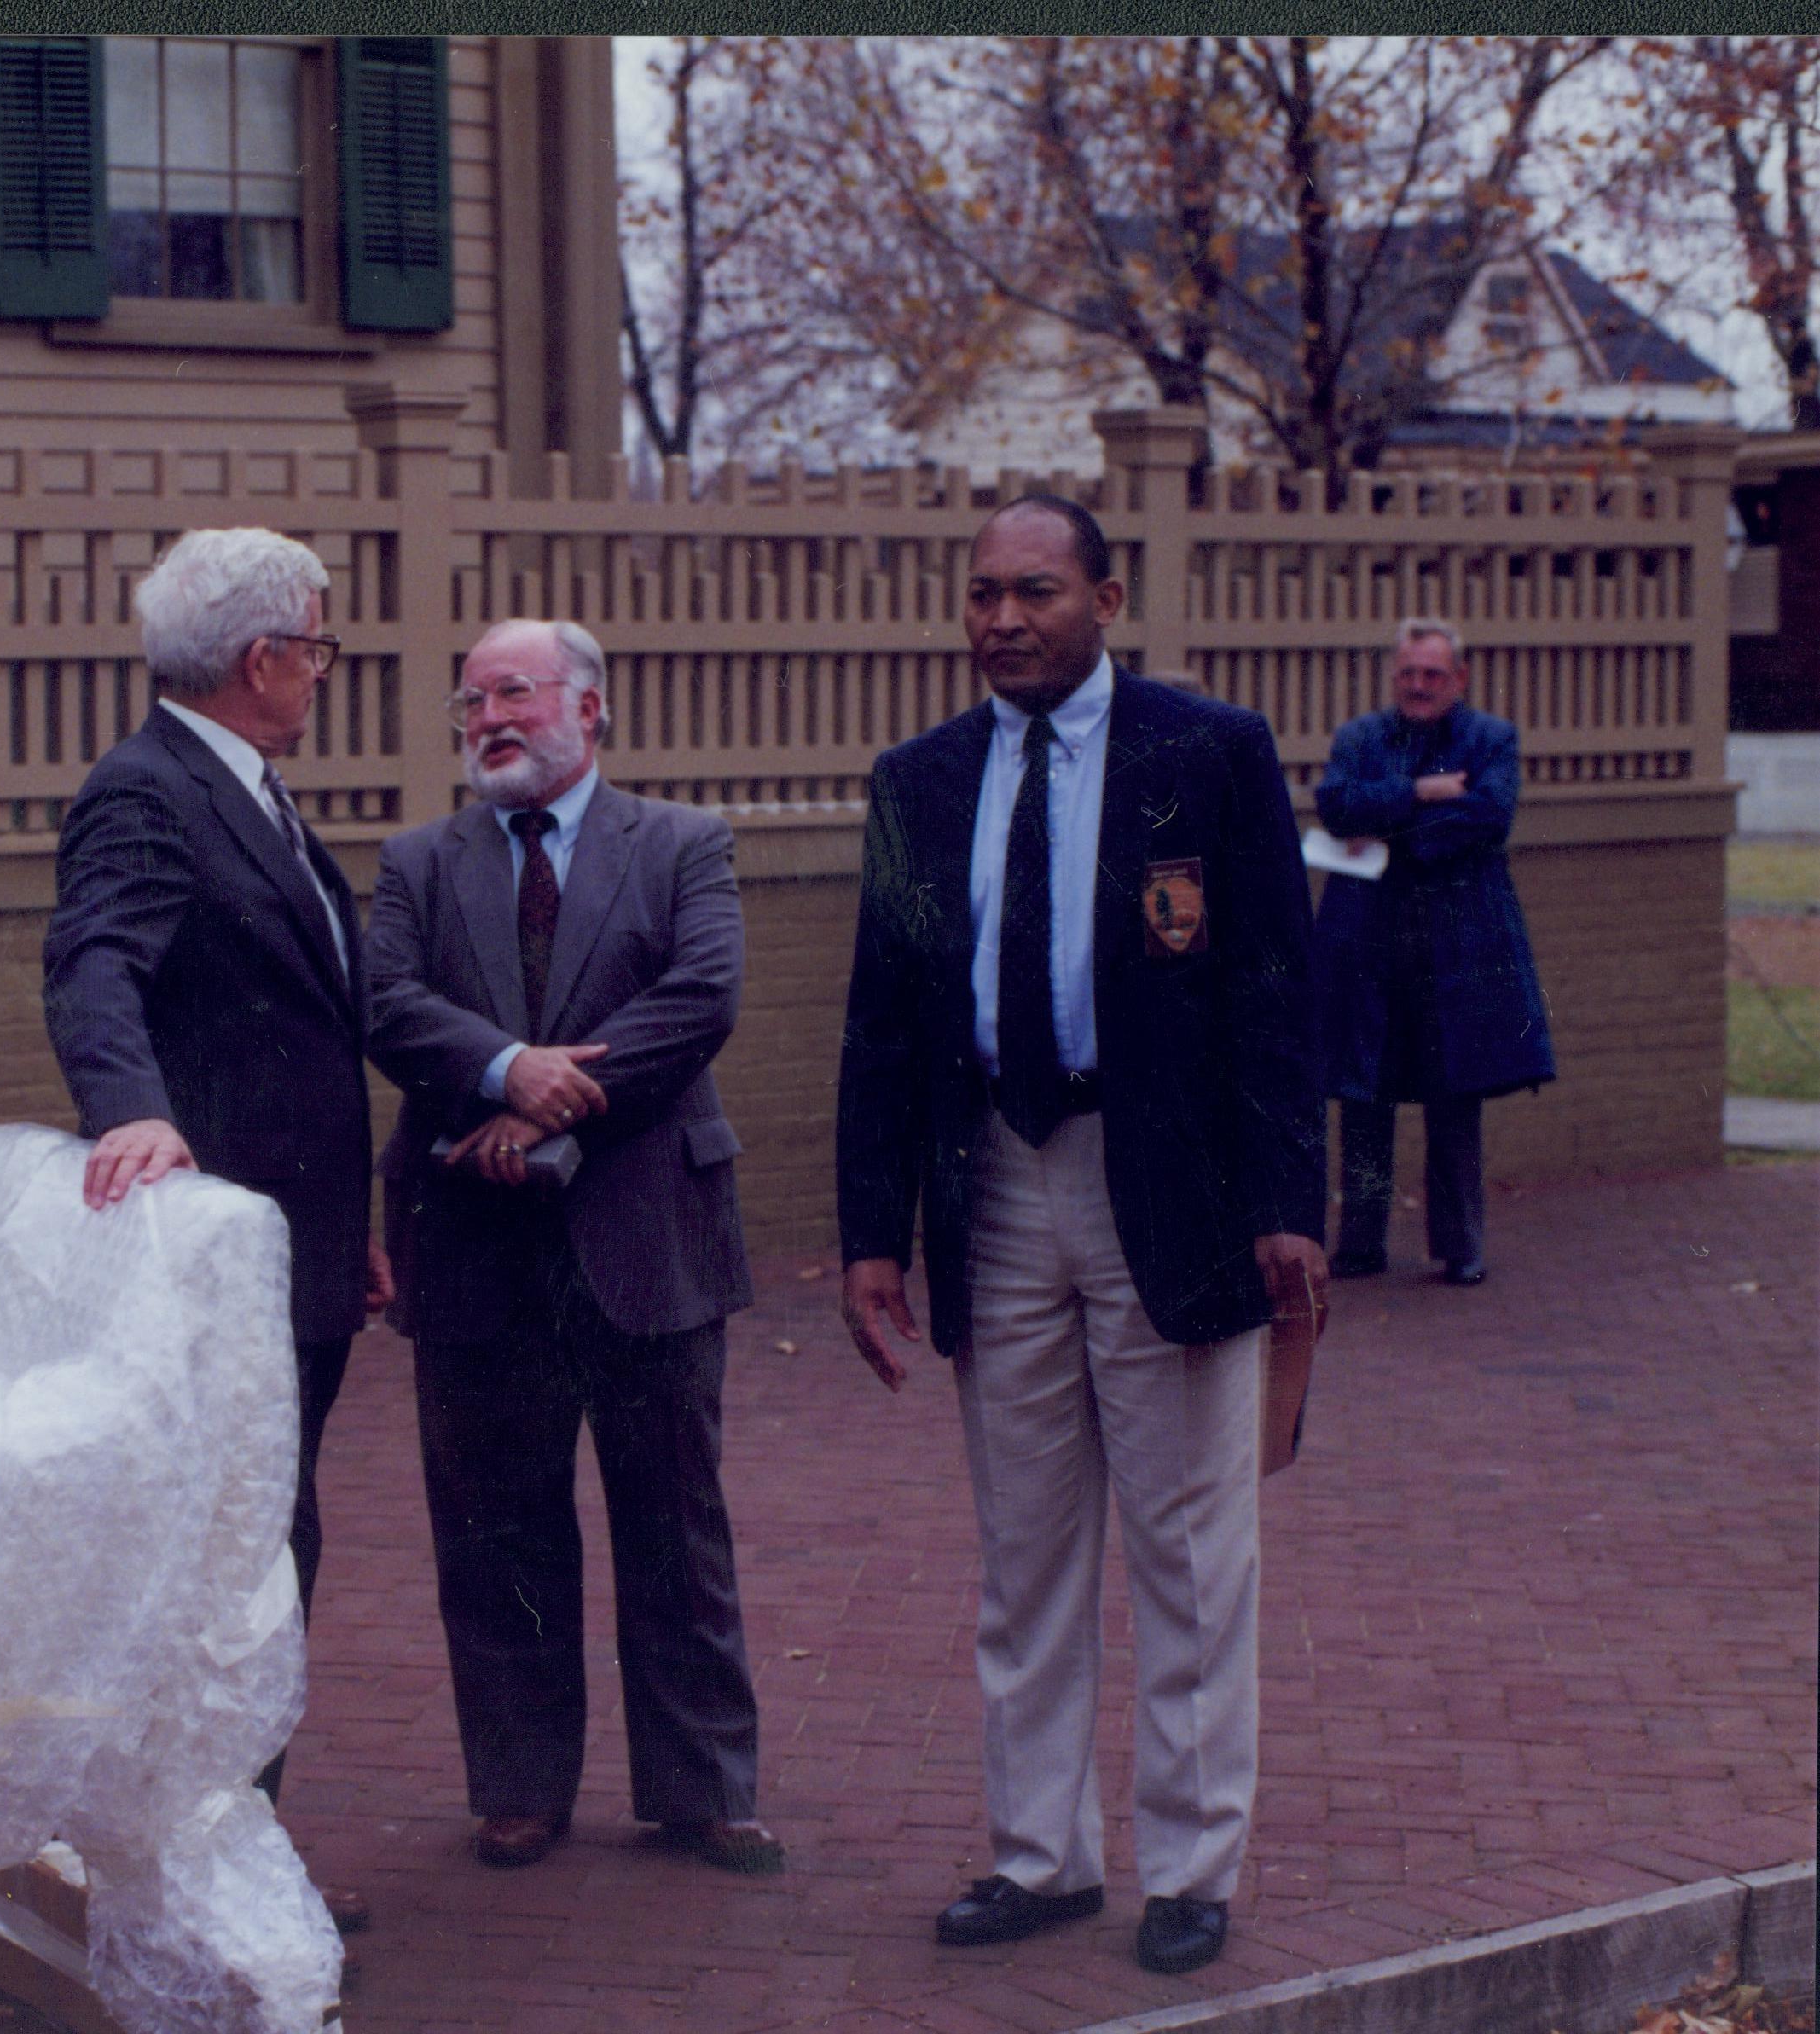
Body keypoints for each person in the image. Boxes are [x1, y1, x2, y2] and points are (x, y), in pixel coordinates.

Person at [833, 496, 1328, 1977]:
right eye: (981, 593)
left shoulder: (1205, 755)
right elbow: (882, 1017)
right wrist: (872, 1234)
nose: (1001, 619)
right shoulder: (917, 783)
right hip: (991, 1180)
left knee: (1186, 1549)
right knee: (1026, 1550)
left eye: (1034, 591)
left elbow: (1271, 993)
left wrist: (1288, 1205)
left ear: (1106, 597)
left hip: (1164, 1185)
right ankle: (1038, 1855)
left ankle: (1190, 1866)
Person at [363, 617, 780, 1878]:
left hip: (646, 1231)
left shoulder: (683, 846)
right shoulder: (418, 863)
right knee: (494, 1529)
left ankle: (703, 1788)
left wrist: (545, 1096)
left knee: (675, 1520)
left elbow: (700, 996)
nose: (489, 717)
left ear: (588, 709)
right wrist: (502, 1066)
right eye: (471, 699)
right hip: (476, 1238)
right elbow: (385, 1003)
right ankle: (519, 1785)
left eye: (515, 694)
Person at [41, 525, 389, 1933]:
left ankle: (231, 1853)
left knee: (267, 1553)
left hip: (295, 1249)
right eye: (316, 645)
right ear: (264, 660)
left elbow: (293, 1027)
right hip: (217, 1264)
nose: (321, 670)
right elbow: (91, 967)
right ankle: (208, 1883)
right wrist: (130, 1110)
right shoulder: (147, 794)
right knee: (238, 1568)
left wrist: (342, 1222)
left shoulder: (247, 790)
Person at [1310, 619, 1555, 1287]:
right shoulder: (1360, 737)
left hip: (1455, 948)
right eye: (1408, 673)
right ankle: (1359, 1244)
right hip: (1368, 946)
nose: (1418, 686)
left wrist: (1385, 827)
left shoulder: (1490, 738)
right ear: (1394, 675)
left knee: (1454, 1101)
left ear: (1459, 678)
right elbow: (1333, 805)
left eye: (1433, 674)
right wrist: (1420, 793)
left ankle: (1459, 1247)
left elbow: (1487, 818)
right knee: (1362, 1098)